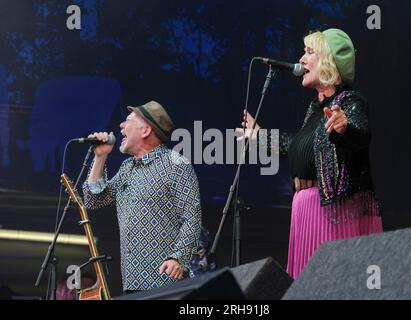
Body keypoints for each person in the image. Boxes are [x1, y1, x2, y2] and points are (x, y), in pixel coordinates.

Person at [238, 28, 383, 279]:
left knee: (329, 284)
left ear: (328, 60)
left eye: (309, 52)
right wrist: (260, 136)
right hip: (307, 211)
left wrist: (344, 127)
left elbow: (360, 133)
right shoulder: (316, 108)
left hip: (334, 212)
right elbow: (299, 146)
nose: (301, 59)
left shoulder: (349, 101)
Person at [82, 100, 202, 291]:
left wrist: (178, 258)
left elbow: (192, 217)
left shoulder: (175, 164)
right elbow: (93, 200)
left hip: (166, 282)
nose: (121, 125)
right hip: (132, 282)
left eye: (127, 120)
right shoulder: (127, 168)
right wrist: (100, 157)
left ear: (146, 130)